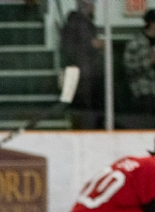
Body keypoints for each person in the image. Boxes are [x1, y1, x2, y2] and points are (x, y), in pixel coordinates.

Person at [60, 0, 104, 129]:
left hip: (80, 73)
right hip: (84, 74)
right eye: (92, 6)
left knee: (80, 107)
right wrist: (93, 45)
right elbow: (81, 46)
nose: (94, 9)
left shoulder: (74, 23)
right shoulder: (80, 23)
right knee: (84, 107)